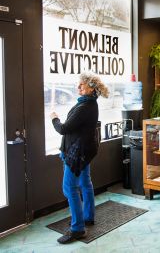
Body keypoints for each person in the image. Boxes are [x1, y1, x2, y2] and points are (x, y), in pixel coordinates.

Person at [50, 72, 109, 244]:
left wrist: (54, 118)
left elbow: (64, 128)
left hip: (76, 154)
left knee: (69, 188)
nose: (78, 87)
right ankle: (87, 217)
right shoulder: (89, 103)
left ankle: (77, 229)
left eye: (81, 85)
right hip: (83, 152)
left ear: (91, 88)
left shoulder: (85, 106)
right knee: (85, 183)